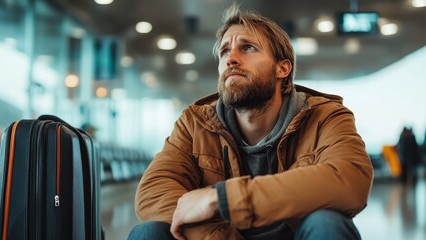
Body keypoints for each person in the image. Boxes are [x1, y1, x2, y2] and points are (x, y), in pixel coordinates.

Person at [128, 4, 373, 240]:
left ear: (282, 69)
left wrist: (221, 199)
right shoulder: (195, 123)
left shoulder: (325, 116)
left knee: (327, 224)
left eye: (248, 48)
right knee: (147, 232)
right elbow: (153, 193)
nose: (231, 58)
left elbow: (351, 179)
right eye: (224, 51)